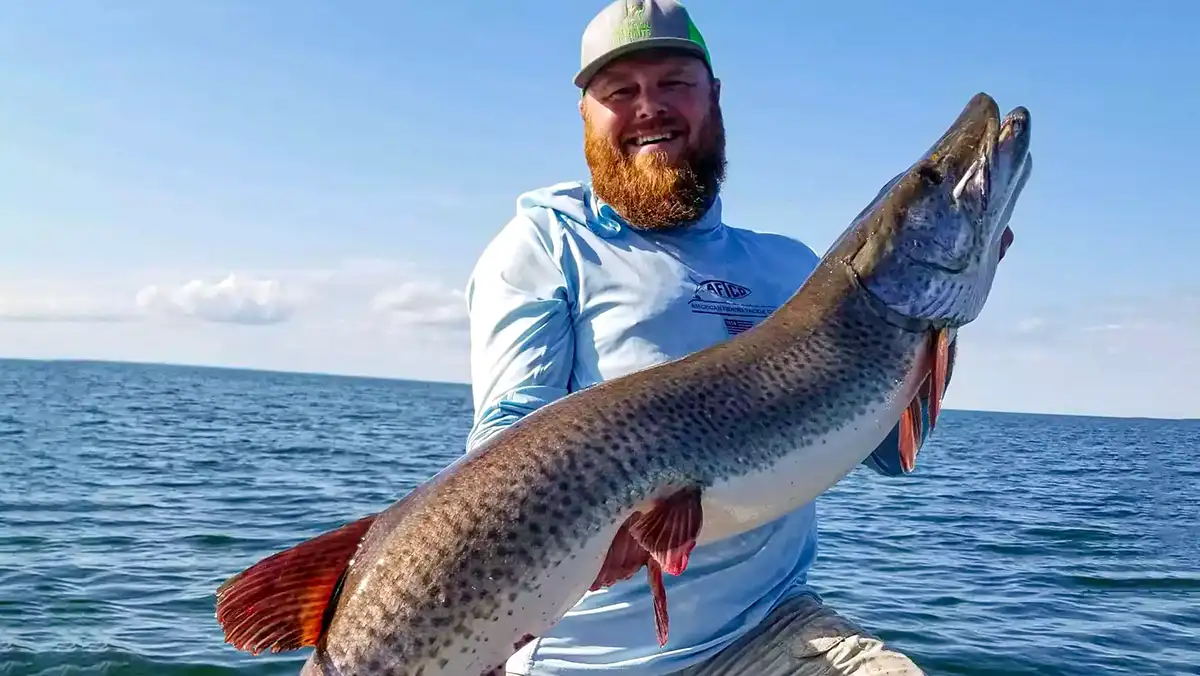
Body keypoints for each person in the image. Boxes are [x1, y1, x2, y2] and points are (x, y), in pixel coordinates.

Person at [463, 1, 1011, 674]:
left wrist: (942, 318)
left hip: (772, 631)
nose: (649, 108)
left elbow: (890, 455)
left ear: (713, 98)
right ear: (586, 115)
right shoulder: (546, 245)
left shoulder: (789, 267)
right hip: (581, 658)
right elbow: (504, 444)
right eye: (621, 92)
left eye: (673, 84)